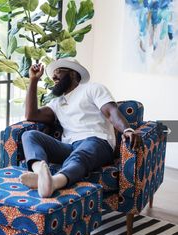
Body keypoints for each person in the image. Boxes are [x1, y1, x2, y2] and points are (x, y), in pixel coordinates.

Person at [20, 58, 141, 198]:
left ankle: (54, 182)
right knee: (29, 135)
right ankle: (39, 174)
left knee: (81, 153)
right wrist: (33, 80)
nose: (53, 77)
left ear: (72, 73)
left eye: (58, 72)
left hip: (97, 142)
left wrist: (127, 130)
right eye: (53, 74)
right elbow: (31, 114)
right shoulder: (57, 103)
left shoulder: (92, 89)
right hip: (69, 147)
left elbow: (111, 112)